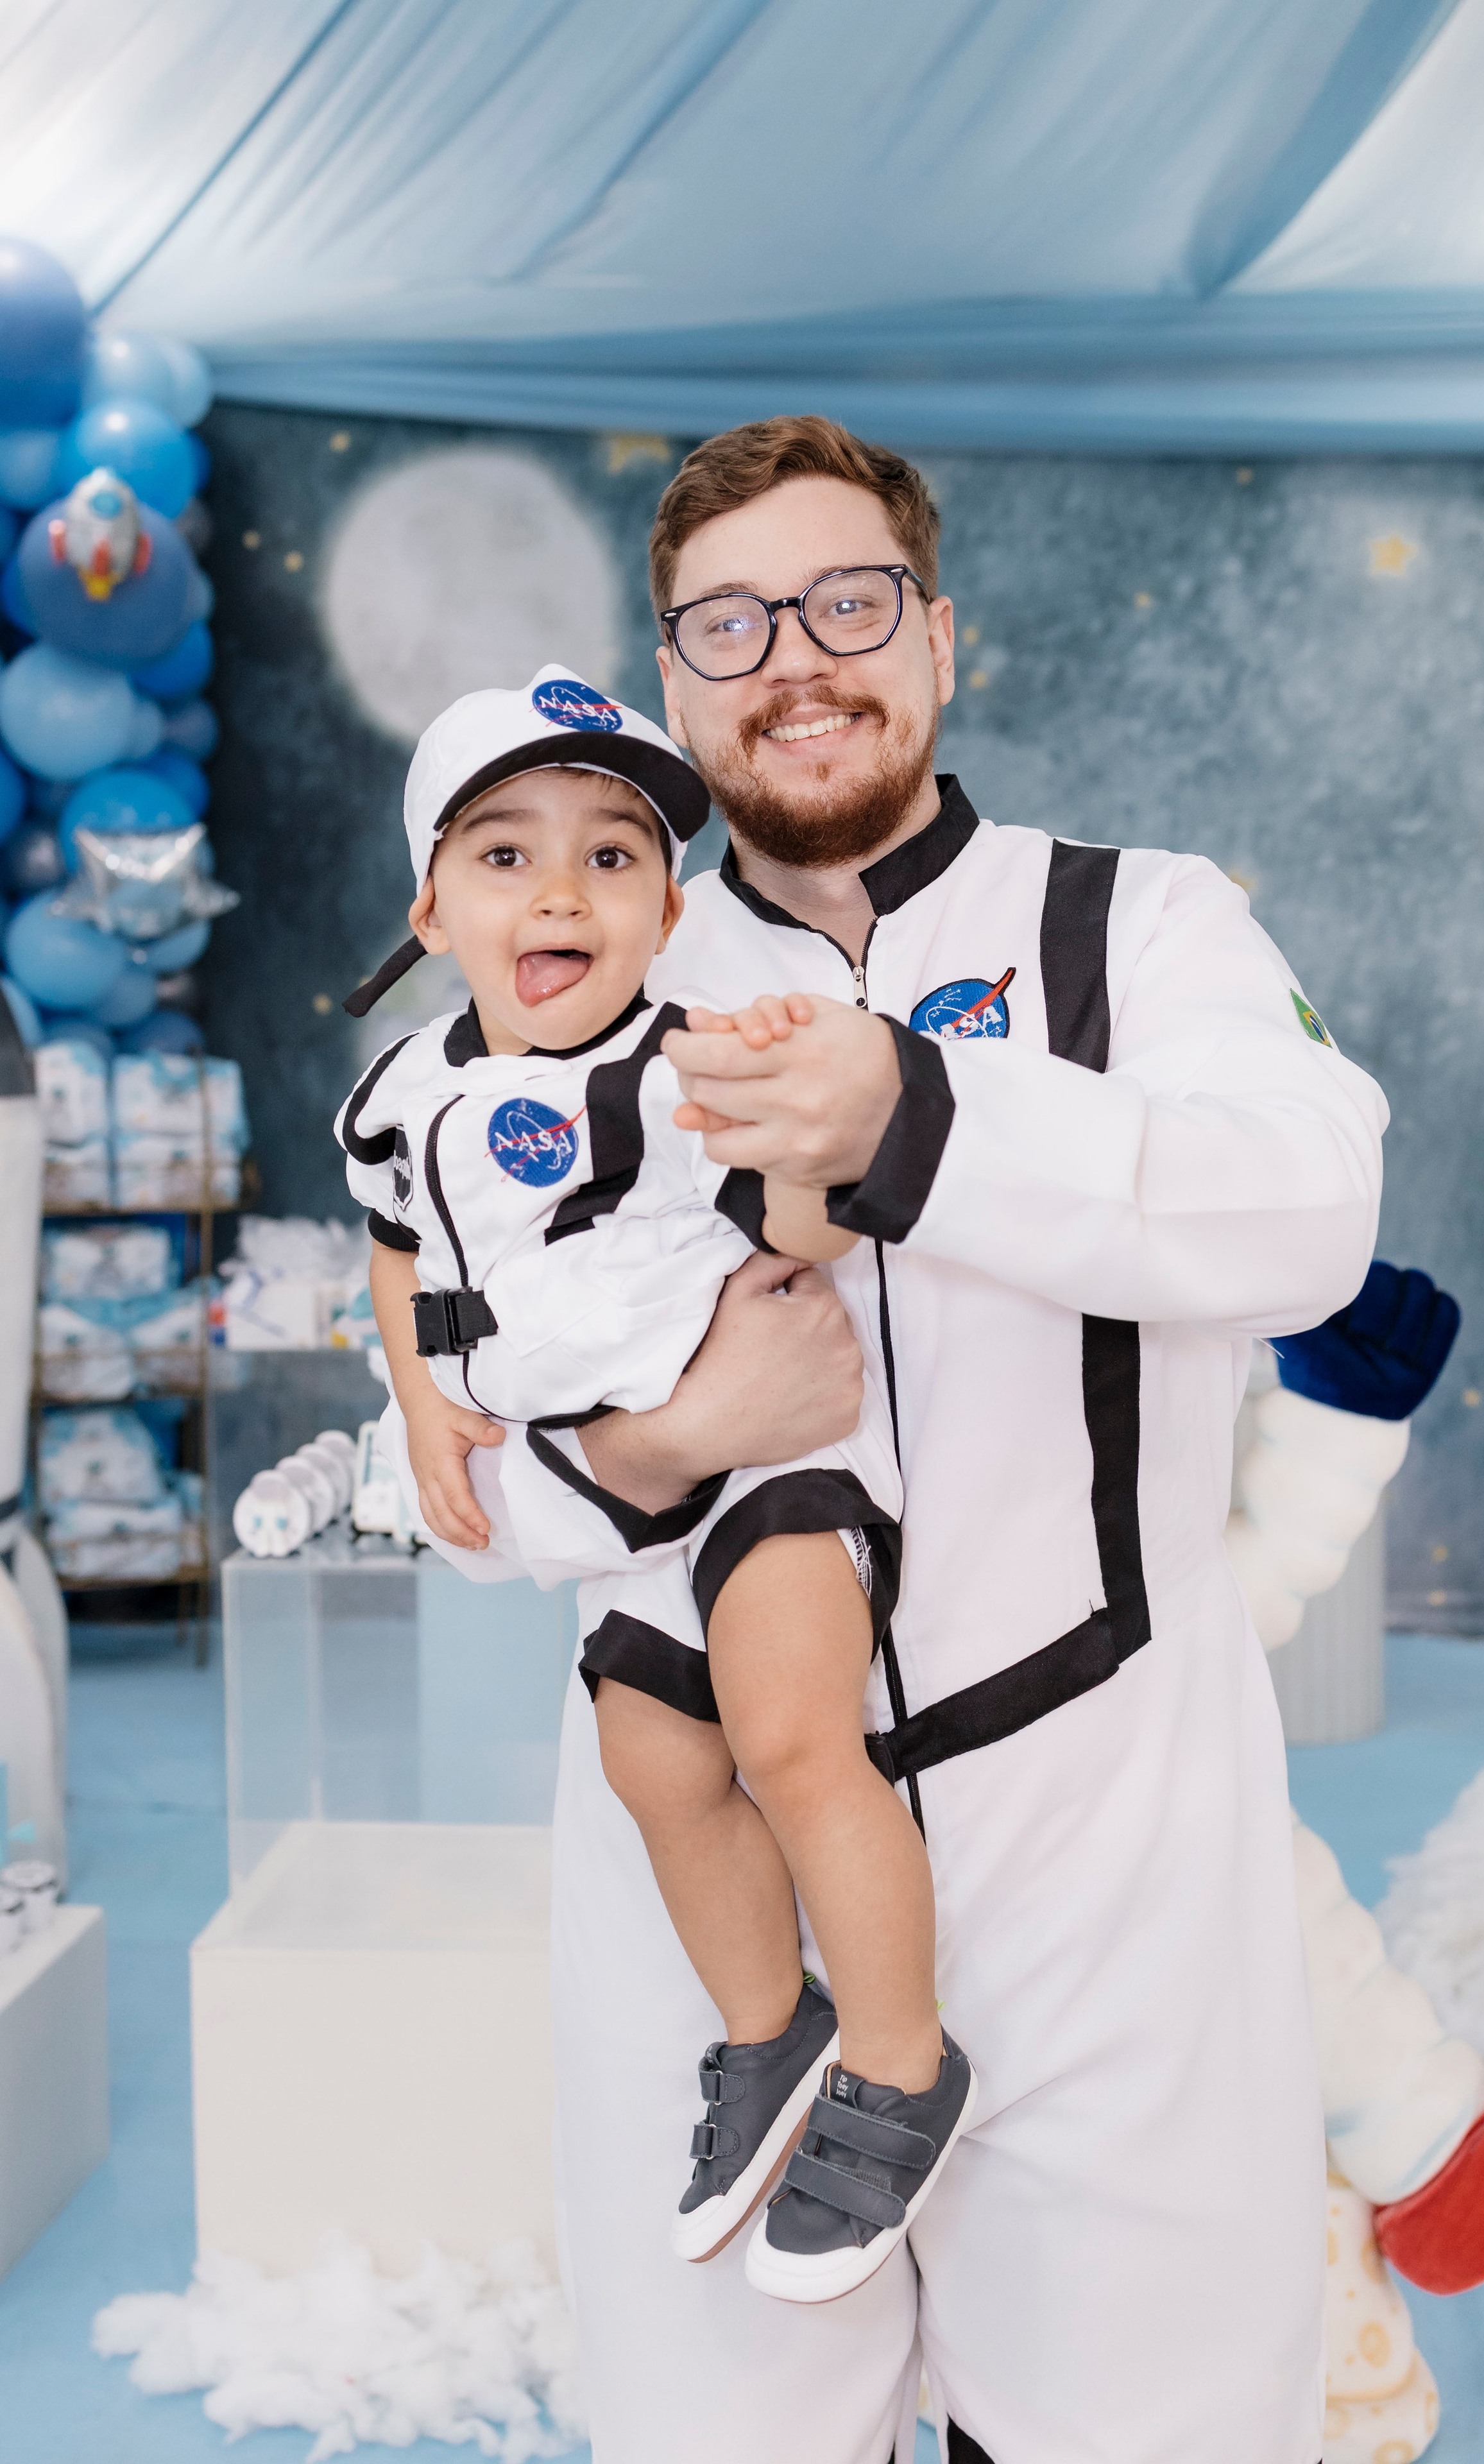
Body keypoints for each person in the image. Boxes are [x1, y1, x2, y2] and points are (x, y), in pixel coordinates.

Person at [393, 416, 1388, 2464]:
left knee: (1155, 2433)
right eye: (732, 621)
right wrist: (674, 1441)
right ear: (673, 682)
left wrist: (913, 1124)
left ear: (938, 639)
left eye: (850, 603)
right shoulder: (571, 963)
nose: (798, 659)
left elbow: (1311, 1212)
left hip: (1101, 1832)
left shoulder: (1143, 928)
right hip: (721, 1884)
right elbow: (468, 1497)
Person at [342, 665, 974, 2302]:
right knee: (653, 1769)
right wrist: (420, 1401)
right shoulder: (401, 1093)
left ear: (669, 909)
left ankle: (901, 2061)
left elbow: (816, 1231)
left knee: (782, 1736)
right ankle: (774, 2029)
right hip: (616, 1497)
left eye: (611, 857)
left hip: (776, 1455)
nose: (561, 889)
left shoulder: (696, 1062)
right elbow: (398, 1238)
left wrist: (804, 1134)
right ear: (429, 906)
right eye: (506, 857)